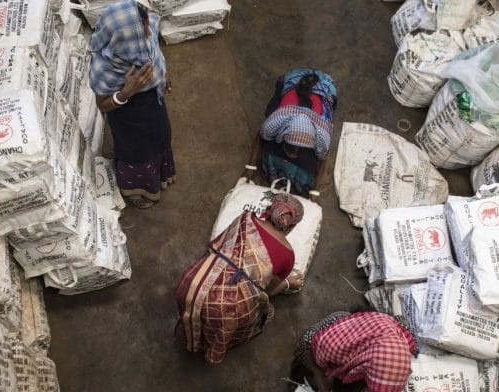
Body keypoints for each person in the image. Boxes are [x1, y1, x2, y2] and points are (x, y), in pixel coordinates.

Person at [175, 194, 306, 364]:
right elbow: (269, 291)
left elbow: (220, 246)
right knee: (257, 310)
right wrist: (288, 283)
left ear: (270, 209)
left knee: (202, 303)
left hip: (194, 283)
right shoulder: (288, 254)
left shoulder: (244, 220)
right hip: (230, 309)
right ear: (292, 226)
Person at [89, 1, 175, 209]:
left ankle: (158, 175)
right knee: (137, 153)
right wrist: (127, 91)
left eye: (146, 23)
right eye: (143, 27)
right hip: (128, 117)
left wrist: (162, 78)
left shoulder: (145, 33)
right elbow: (103, 106)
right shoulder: (106, 67)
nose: (147, 32)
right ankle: (139, 190)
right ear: (124, 34)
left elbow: (155, 54)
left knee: (160, 138)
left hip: (154, 107)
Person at [244, 68, 338, 199]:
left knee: (310, 168)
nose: (293, 155)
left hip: (325, 86)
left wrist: (315, 192)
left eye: (298, 151)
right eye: (290, 149)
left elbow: (323, 161)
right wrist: (250, 167)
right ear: (283, 134)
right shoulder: (274, 123)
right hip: (293, 79)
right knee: (269, 131)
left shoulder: (322, 136)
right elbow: (259, 137)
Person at [294, 309, 418, 392]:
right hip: (340, 328)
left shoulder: (406, 340)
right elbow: (303, 346)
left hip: (379, 327)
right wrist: (318, 374)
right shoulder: (330, 344)